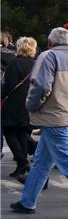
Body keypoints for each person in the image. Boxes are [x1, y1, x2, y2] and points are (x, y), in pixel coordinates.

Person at [9, 28, 68, 218]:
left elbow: (41, 85)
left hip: (53, 115)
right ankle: (27, 201)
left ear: (50, 42)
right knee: (41, 162)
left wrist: (31, 105)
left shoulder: (48, 56)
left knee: (67, 160)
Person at [2, 37, 37, 178]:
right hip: (30, 103)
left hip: (14, 103)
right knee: (23, 133)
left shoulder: (15, 63)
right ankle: (21, 166)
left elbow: (9, 85)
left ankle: (22, 162)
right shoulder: (35, 64)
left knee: (9, 132)